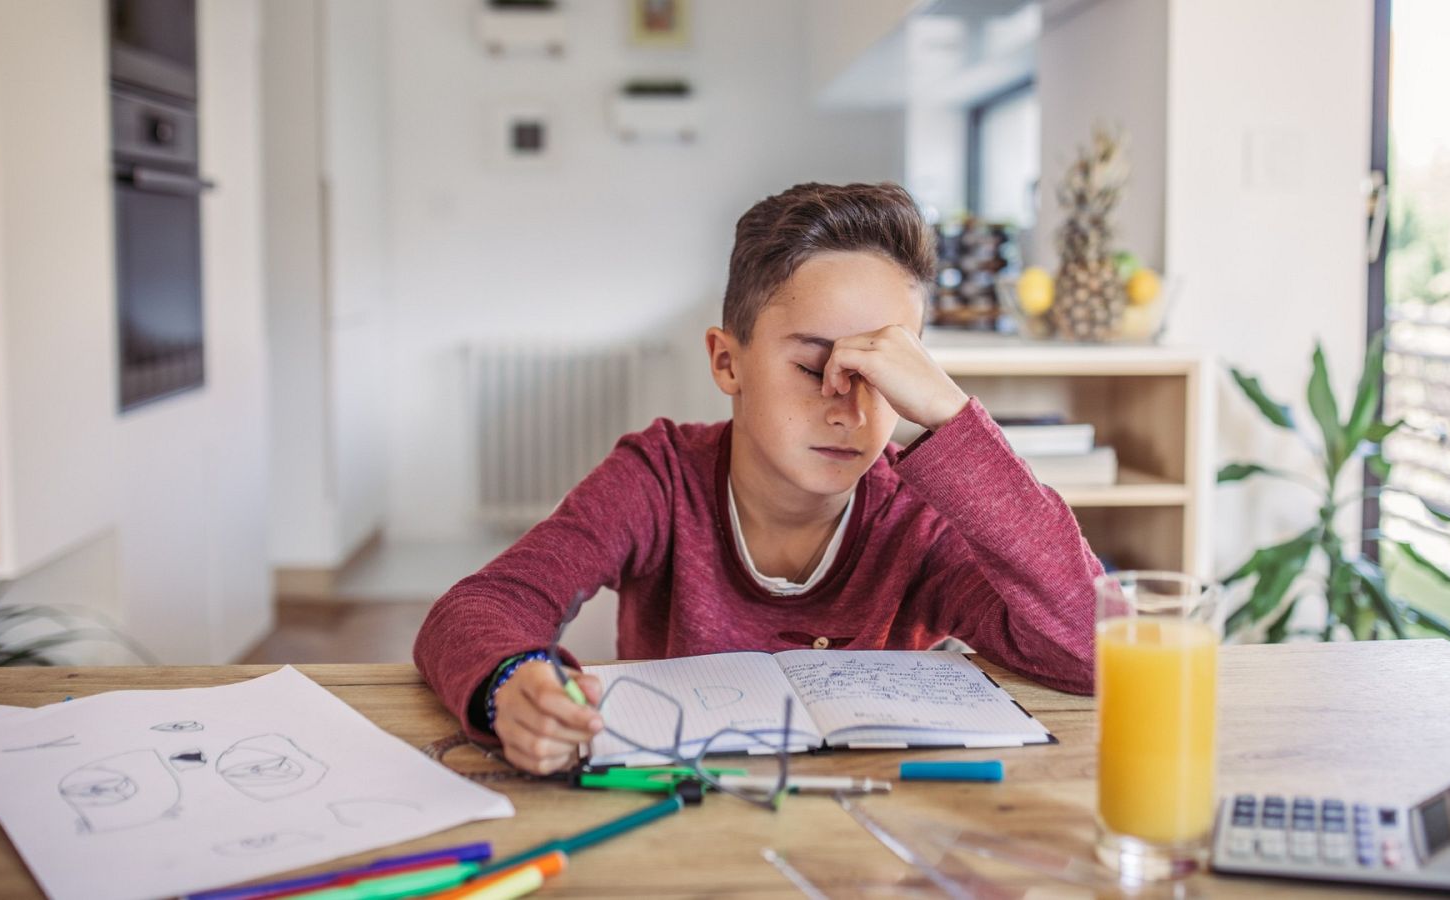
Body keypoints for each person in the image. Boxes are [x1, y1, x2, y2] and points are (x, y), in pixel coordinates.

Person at [414, 181, 1104, 775]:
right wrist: (510, 683)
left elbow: (1099, 651)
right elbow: (478, 608)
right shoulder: (658, 480)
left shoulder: (919, 516)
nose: (851, 411)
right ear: (727, 363)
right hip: (686, 824)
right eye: (814, 368)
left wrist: (954, 420)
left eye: (886, 376)